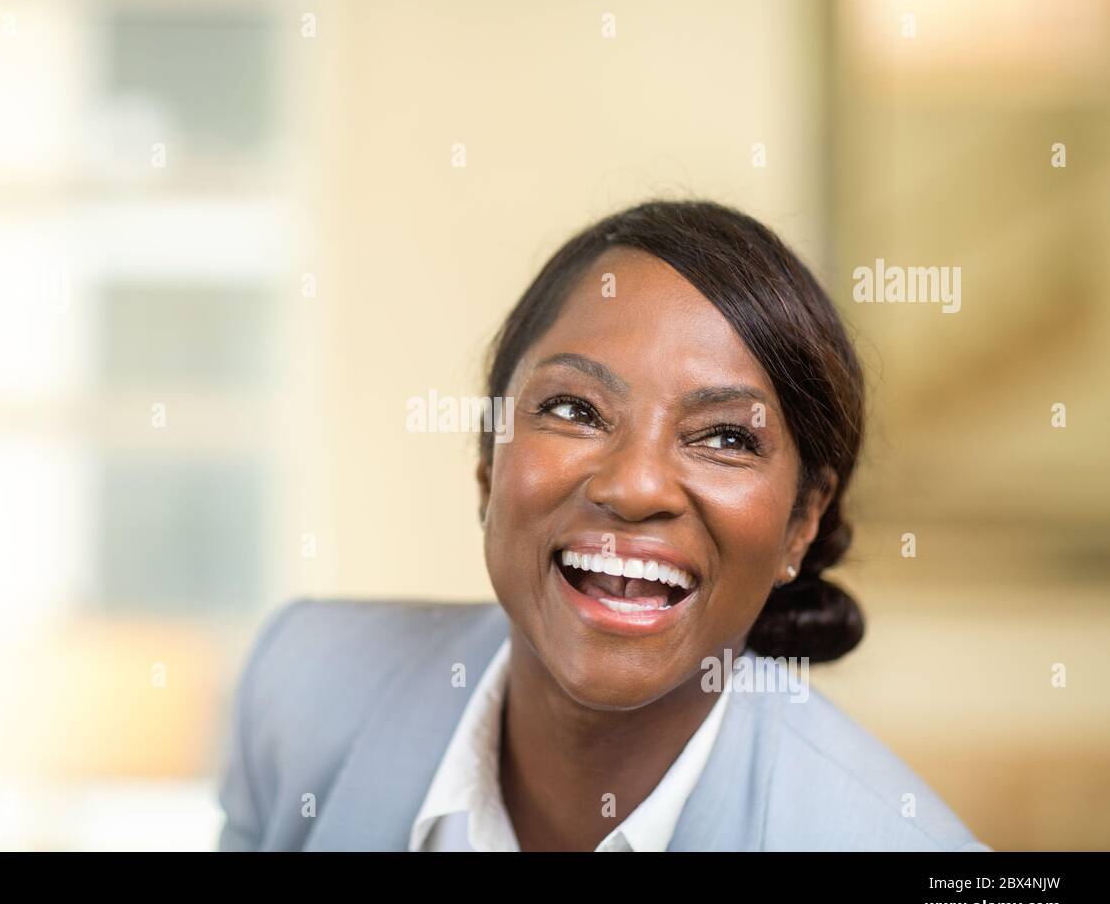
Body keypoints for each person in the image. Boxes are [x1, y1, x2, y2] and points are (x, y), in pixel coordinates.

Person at [217, 199, 991, 851]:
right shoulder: (304, 687)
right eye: (575, 410)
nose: (634, 485)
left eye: (726, 437)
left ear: (800, 523)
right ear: (489, 463)